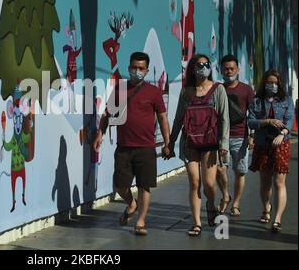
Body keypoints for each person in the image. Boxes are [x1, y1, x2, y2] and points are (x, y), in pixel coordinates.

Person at [93, 52, 170, 236]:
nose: (137, 71)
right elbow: (107, 114)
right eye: (134, 67)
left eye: (141, 68)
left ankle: (141, 221)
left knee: (144, 186)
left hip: (146, 147)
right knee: (120, 185)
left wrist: (168, 142)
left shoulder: (154, 92)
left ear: (147, 70)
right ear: (129, 68)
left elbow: (162, 118)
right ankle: (131, 204)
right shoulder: (119, 90)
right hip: (124, 147)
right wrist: (99, 134)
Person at [168, 54, 229, 236]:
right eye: (198, 65)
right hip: (190, 143)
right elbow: (179, 118)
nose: (202, 67)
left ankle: (210, 203)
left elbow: (224, 119)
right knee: (194, 182)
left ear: (210, 67)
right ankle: (196, 223)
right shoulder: (186, 91)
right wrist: (170, 143)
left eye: (205, 64)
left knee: (209, 183)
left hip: (210, 143)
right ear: (192, 69)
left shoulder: (218, 90)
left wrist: (223, 144)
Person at [248, 69, 294, 233]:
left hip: (281, 144)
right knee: (265, 183)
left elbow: (289, 120)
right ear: (264, 83)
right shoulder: (257, 101)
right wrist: (266, 121)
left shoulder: (286, 100)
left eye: (275, 83)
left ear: (279, 84)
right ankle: (266, 207)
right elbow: (251, 122)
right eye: (269, 82)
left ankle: (277, 219)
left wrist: (282, 134)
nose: (272, 85)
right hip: (262, 144)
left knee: (279, 182)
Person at [216, 55, 255, 217]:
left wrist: (252, 135)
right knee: (219, 170)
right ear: (221, 70)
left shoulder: (246, 90)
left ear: (238, 70)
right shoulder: (218, 88)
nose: (229, 71)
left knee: (240, 172)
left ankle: (236, 204)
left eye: (232, 68)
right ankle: (225, 195)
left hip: (241, 137)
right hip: (221, 138)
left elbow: (253, 113)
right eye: (226, 69)